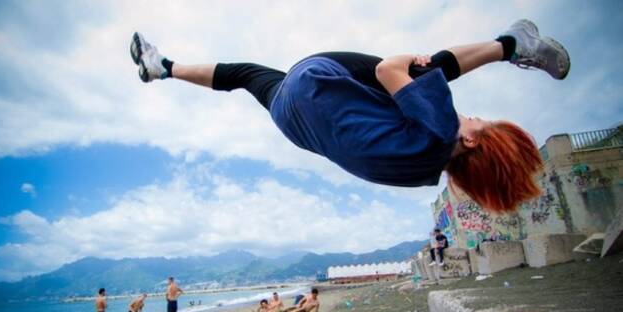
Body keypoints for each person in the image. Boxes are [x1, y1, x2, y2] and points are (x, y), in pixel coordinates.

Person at [130, 19, 569, 213]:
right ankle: (162, 68)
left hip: (316, 80)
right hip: (291, 118)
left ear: (472, 141)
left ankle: (512, 45)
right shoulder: (420, 172)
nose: (473, 117)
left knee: (422, 69)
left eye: (480, 121)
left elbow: (387, 71)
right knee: (246, 74)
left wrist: (407, 63)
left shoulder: (442, 131)